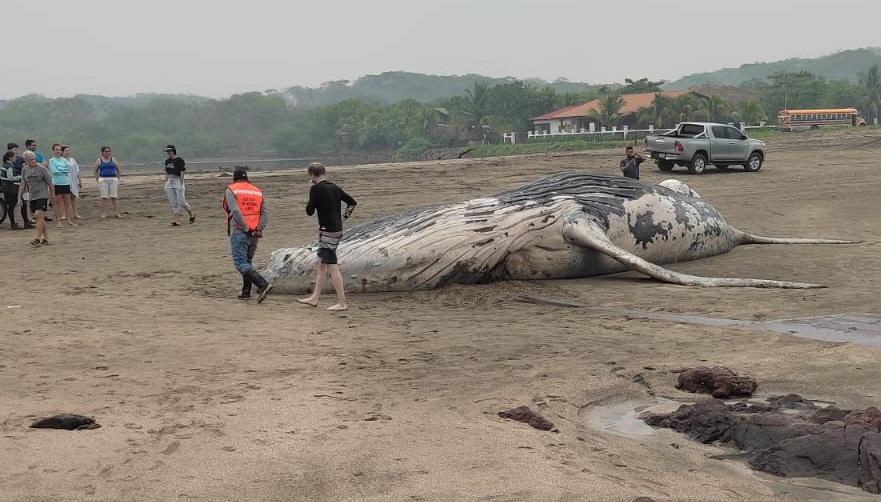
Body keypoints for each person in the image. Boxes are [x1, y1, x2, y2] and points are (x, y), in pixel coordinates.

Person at [297, 162, 357, 311]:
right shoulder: (334, 187)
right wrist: (344, 217)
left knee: (332, 266)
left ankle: (342, 303)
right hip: (336, 229)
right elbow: (352, 203)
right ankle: (314, 298)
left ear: (311, 175)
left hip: (327, 231)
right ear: (323, 172)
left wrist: (310, 191)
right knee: (321, 265)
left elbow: (309, 211)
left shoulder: (315, 189)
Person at [223, 167, 272, 303]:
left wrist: (245, 228)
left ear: (234, 178)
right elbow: (264, 213)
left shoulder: (231, 189)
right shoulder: (257, 191)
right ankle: (246, 292)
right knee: (248, 262)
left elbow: (235, 211)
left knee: (240, 263)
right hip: (255, 232)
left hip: (240, 230)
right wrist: (259, 228)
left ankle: (263, 284)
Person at [18, 150, 54, 246]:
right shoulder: (25, 169)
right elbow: (23, 183)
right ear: (26, 161)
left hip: (42, 194)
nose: (33, 161)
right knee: (39, 218)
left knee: (39, 215)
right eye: (30, 160)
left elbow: (50, 183)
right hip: (32, 196)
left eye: (33, 159)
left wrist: (52, 197)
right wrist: (19, 196)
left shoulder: (42, 169)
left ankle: (37, 238)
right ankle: (46, 238)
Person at [163, 145, 195, 226]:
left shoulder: (179, 160)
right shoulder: (167, 161)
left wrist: (181, 184)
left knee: (181, 202)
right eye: (167, 152)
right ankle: (176, 220)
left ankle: (191, 213)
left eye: (169, 152)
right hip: (170, 181)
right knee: (173, 203)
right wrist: (166, 181)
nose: (168, 153)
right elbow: (166, 171)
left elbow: (182, 172)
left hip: (177, 181)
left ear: (173, 151)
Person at [48, 143, 76, 227]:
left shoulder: (64, 160)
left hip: (66, 183)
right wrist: (62, 170)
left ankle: (69, 220)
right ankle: (58, 221)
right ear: (53, 151)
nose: (58, 151)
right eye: (56, 149)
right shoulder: (51, 160)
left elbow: (68, 170)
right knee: (57, 203)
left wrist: (60, 169)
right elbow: (54, 171)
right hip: (57, 183)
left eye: (59, 149)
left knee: (67, 203)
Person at [94, 146, 121, 219]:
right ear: (102, 152)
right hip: (103, 179)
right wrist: (97, 179)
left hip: (113, 179)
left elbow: (118, 169)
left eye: (109, 151)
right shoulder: (99, 160)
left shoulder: (113, 159)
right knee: (104, 197)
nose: (107, 153)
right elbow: (95, 170)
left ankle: (116, 213)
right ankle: (104, 213)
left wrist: (117, 178)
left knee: (114, 197)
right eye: (106, 151)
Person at [7, 143, 31, 228]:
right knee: (13, 205)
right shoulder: (7, 162)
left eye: (17, 149)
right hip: (13, 186)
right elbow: (10, 176)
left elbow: (25, 167)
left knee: (24, 203)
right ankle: (14, 223)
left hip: (21, 184)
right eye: (14, 150)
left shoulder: (20, 159)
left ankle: (26, 221)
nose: (16, 152)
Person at [1, 150, 22, 229]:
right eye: (14, 156)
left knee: (10, 206)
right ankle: (13, 224)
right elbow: (10, 178)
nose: (15, 158)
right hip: (11, 188)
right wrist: (19, 177)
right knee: (12, 206)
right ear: (10, 158)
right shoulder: (9, 166)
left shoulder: (4, 165)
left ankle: (13, 223)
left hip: (6, 188)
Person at [62, 145, 82, 219]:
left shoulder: (73, 160)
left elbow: (77, 171)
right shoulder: (61, 160)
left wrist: (80, 180)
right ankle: (64, 214)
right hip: (65, 180)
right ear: (62, 152)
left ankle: (75, 213)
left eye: (68, 150)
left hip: (74, 180)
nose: (68, 152)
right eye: (66, 151)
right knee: (65, 198)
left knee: (74, 197)